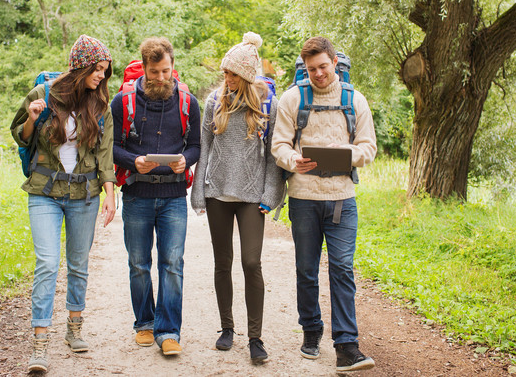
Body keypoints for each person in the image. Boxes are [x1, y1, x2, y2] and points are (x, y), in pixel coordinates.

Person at [11, 34, 116, 373]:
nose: (101, 76)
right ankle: (40, 342)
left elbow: (105, 152)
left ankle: (74, 328)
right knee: (46, 263)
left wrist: (110, 195)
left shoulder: (99, 103)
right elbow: (21, 137)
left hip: (84, 195)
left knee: (78, 263)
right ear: (80, 66)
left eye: (104, 70)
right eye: (97, 69)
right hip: (44, 192)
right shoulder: (42, 94)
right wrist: (31, 116)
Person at [271, 36, 377, 372]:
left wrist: (346, 153)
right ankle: (311, 331)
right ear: (305, 68)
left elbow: (368, 148)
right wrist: (292, 160)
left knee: (343, 268)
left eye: (323, 67)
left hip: (342, 199)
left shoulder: (354, 100)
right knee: (306, 269)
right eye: (311, 69)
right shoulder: (291, 99)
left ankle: (347, 346)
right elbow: (279, 145)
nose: (318, 74)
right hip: (304, 198)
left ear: (334, 62)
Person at [190, 32, 285, 363]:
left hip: (250, 196)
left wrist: (272, 193)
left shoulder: (266, 106)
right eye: (225, 73)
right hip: (217, 192)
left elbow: (273, 157)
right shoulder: (214, 102)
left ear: (246, 76)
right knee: (223, 262)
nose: (226, 79)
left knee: (251, 262)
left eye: (232, 74)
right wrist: (199, 191)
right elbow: (204, 147)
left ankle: (256, 337)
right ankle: (227, 328)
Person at [111, 37, 201, 356]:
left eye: (166, 71)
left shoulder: (188, 102)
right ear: (144, 69)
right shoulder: (123, 102)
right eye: (154, 72)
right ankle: (145, 324)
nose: (161, 78)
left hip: (174, 196)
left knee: (172, 263)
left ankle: (169, 331)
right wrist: (132, 161)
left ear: (173, 66)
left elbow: (195, 146)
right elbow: (110, 147)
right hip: (136, 194)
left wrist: (185, 160)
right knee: (138, 263)